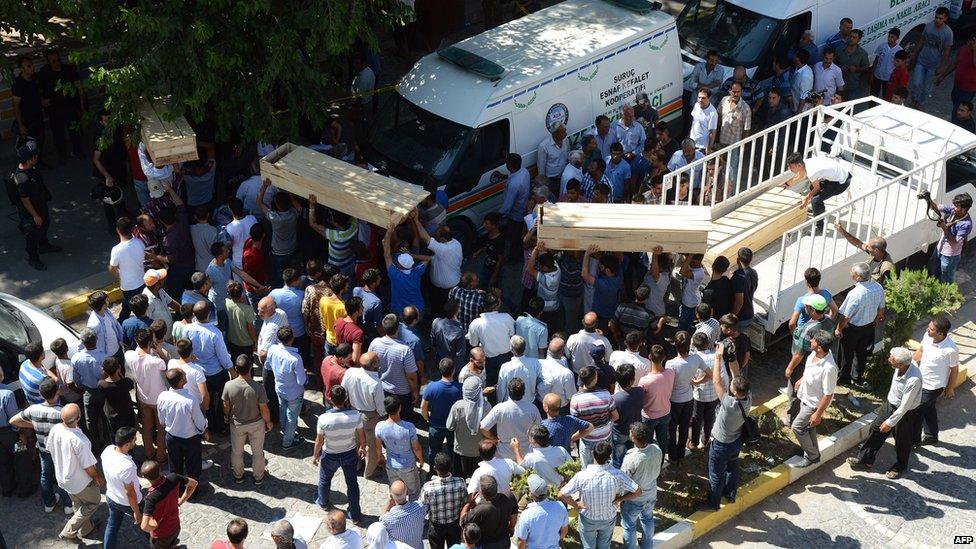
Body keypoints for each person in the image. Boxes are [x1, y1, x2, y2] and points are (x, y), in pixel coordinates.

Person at [848, 347, 923, 478]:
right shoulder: (902, 366)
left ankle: (901, 466)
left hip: (905, 412)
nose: (888, 359)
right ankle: (865, 460)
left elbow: (905, 406)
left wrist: (890, 422)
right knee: (876, 429)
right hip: (890, 404)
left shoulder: (913, 380)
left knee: (901, 440)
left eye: (891, 358)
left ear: (900, 364)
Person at [559, 440, 641, 549]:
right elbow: (638, 491)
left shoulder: (582, 476)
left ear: (593, 453)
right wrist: (620, 498)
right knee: (604, 545)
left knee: (588, 546)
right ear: (609, 456)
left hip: (588, 517)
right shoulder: (618, 474)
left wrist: (575, 504)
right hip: (608, 517)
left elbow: (561, 494)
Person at [696, 342, 749, 511]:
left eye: (732, 385)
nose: (731, 383)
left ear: (733, 392)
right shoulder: (748, 397)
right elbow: (737, 374)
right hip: (736, 441)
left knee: (716, 474)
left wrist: (718, 357)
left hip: (721, 444)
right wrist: (731, 356)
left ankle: (713, 503)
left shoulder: (728, 404)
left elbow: (716, 380)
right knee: (732, 466)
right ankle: (730, 493)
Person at [8, 378, 71, 512]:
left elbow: (13, 420)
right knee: (63, 475)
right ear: (57, 393)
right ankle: (68, 505)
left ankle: (49, 503)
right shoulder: (62, 411)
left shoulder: (33, 409)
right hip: (60, 450)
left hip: (43, 449)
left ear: (41, 394)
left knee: (45, 476)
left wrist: (32, 425)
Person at [47, 404, 105, 541]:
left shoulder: (55, 429)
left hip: (63, 478)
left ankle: (86, 530)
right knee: (93, 502)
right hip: (80, 481)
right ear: (78, 417)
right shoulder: (79, 441)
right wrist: (98, 478)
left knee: (78, 503)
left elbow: (49, 449)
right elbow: (89, 467)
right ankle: (68, 531)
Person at [313, 385, 366, 522]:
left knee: (325, 479)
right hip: (349, 453)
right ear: (346, 398)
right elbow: (361, 434)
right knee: (352, 484)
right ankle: (355, 514)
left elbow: (319, 440)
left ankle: (323, 502)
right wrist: (363, 447)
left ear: (330, 399)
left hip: (330, 454)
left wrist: (315, 456)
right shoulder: (355, 415)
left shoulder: (323, 418)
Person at [183, 301, 234, 435]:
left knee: (207, 402)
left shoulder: (187, 329)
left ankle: (210, 425)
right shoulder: (215, 333)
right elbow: (223, 356)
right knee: (222, 399)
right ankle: (222, 426)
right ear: (209, 314)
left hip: (199, 373)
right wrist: (232, 371)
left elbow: (185, 347)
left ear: (194, 314)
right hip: (216, 373)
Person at [789, 330, 838, 468]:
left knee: (797, 427)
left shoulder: (829, 368)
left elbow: (828, 394)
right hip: (805, 396)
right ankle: (811, 451)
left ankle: (812, 455)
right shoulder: (815, 353)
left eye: (813, 340)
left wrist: (817, 413)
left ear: (820, 347)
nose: (811, 341)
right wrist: (802, 379)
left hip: (814, 404)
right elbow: (809, 370)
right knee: (808, 427)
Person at [835, 262, 886, 387]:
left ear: (858, 276)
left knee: (847, 354)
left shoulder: (855, 293)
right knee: (861, 353)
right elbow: (882, 308)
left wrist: (838, 329)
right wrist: (876, 319)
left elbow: (846, 316)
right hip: (869, 327)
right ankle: (857, 378)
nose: (850, 273)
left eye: (852, 272)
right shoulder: (878, 287)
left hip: (852, 329)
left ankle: (844, 379)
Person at [222, 355, 271, 483]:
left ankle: (238, 475)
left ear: (236, 369)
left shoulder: (228, 386)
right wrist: (268, 421)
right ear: (250, 368)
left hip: (237, 424)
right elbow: (264, 409)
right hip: (256, 424)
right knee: (258, 452)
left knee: (237, 452)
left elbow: (226, 405)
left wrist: (227, 416)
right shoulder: (258, 387)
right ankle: (258, 476)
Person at [784, 295, 836, 417]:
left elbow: (799, 354)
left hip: (802, 364)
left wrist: (790, 368)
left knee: (794, 391)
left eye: (807, 306)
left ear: (812, 310)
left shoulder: (809, 329)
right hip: (818, 361)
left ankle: (792, 418)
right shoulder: (828, 321)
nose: (805, 308)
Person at [912, 317, 959, 446]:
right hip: (921, 380)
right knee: (929, 409)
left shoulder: (950, 350)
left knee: (917, 411)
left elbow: (954, 370)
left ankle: (913, 441)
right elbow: (920, 351)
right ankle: (931, 436)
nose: (927, 329)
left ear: (940, 333)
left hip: (934, 386)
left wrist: (950, 388)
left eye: (931, 329)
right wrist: (908, 365)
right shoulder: (927, 336)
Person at [157, 369, 208, 481]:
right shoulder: (191, 400)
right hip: (190, 439)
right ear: (181, 381)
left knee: (175, 467)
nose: (186, 375)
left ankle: (177, 489)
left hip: (172, 437)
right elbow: (200, 423)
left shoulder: (162, 396)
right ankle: (192, 491)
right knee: (193, 467)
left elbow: (162, 420)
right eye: (184, 375)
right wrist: (205, 429)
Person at [126, 329, 168, 463]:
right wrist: (160, 351)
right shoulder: (155, 361)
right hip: (158, 398)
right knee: (161, 429)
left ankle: (149, 453)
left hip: (143, 396)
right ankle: (161, 456)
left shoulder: (129, 355)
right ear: (151, 342)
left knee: (147, 426)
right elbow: (167, 364)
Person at [342, 351, 385, 478]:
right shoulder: (376, 383)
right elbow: (380, 406)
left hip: (353, 411)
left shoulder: (350, 372)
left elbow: (343, 390)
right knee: (370, 445)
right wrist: (383, 415)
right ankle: (369, 471)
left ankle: (357, 465)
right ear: (374, 366)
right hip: (369, 416)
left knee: (355, 440)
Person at [370, 314, 420, 422]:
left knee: (386, 417)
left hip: (382, 388)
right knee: (404, 419)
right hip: (402, 393)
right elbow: (411, 376)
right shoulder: (405, 350)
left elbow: (370, 365)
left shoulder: (375, 343)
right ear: (398, 327)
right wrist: (415, 392)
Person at [783, 153, 851, 233]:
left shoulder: (811, 172)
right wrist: (786, 184)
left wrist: (807, 198)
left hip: (841, 183)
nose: (789, 168)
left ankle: (820, 228)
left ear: (799, 165)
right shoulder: (805, 162)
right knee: (812, 189)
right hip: (841, 176)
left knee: (815, 200)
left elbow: (817, 188)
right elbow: (800, 176)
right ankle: (819, 211)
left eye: (791, 167)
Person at [620, 422, 662, 549]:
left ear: (633, 437)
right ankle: (647, 546)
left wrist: (620, 497)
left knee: (629, 526)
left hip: (634, 499)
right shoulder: (656, 449)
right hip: (651, 494)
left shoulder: (631, 457)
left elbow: (623, 480)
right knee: (648, 519)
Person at [100, 426, 144, 548]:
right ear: (127, 444)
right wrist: (137, 512)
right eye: (134, 439)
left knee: (112, 525)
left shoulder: (108, 450)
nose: (136, 441)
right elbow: (130, 492)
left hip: (112, 496)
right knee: (147, 525)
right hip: (127, 502)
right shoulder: (127, 466)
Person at [139, 459, 198, 548]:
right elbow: (194, 483)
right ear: (159, 470)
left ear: (144, 476)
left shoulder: (150, 498)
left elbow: (144, 526)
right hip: (175, 526)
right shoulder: (174, 478)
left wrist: (155, 525)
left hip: (161, 535)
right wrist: (180, 501)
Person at [666, 332, 705, 464]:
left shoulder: (670, 364)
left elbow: (669, 383)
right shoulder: (696, 359)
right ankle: (681, 453)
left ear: (675, 345)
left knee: (671, 429)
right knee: (683, 428)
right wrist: (696, 382)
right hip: (689, 398)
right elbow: (710, 373)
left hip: (674, 400)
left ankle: (672, 456)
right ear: (689, 344)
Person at [265, 326, 307, 449]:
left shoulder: (272, 349)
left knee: (283, 410)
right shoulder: (296, 358)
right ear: (292, 338)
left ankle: (286, 430)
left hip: (279, 388)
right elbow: (301, 380)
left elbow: (268, 366)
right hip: (294, 393)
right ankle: (288, 442)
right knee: (292, 417)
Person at [376, 396, 425, 501]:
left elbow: (378, 447)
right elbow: (416, 448)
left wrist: (380, 457)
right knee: (414, 492)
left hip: (391, 465)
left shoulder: (379, 426)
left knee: (396, 492)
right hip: (408, 465)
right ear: (399, 408)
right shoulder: (409, 427)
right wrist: (421, 460)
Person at [480, 377, 541, 461]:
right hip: (526, 453)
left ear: (508, 392)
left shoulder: (499, 408)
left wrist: (493, 439)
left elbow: (483, 427)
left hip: (504, 454)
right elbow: (539, 429)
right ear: (523, 392)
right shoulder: (532, 408)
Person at [465, 294, 515, 396]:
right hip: (505, 356)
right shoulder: (506, 318)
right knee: (507, 382)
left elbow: (473, 344)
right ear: (498, 305)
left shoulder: (476, 323)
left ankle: (492, 404)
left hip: (489, 359)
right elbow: (512, 334)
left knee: (490, 385)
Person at [921, 192, 972, 283]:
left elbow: (954, 242)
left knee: (946, 279)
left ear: (964, 209)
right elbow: (936, 207)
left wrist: (944, 227)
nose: (954, 207)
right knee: (934, 272)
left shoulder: (966, 224)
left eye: (957, 206)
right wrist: (928, 200)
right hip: (939, 249)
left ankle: (945, 296)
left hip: (950, 255)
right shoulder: (953, 210)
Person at [446, 376, 492, 478]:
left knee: (459, 478)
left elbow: (449, 426)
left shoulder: (458, 406)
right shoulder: (486, 407)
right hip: (479, 452)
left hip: (461, 451)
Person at [571, 366, 617, 466]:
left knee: (587, 468)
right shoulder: (606, 394)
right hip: (605, 436)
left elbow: (576, 423)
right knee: (606, 465)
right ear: (595, 378)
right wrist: (605, 423)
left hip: (587, 439)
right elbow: (616, 416)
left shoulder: (575, 399)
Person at [419, 452, 467, 549]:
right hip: (454, 525)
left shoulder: (428, 487)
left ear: (435, 468)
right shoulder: (461, 482)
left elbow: (423, 508)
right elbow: (464, 501)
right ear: (451, 467)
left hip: (436, 526)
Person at [910, 7, 953, 109]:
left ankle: (921, 102)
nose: (938, 20)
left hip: (933, 65)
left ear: (945, 19)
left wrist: (942, 67)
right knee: (916, 83)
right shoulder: (929, 26)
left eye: (941, 18)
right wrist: (914, 53)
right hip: (921, 60)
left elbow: (947, 51)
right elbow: (922, 40)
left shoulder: (948, 33)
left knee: (926, 87)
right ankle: (914, 99)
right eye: (937, 17)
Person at [422, 359, 463, 463]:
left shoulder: (431, 387)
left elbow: (423, 406)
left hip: (435, 425)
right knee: (453, 450)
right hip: (453, 426)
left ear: (440, 370)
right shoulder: (460, 388)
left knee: (434, 452)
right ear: (453, 370)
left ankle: (432, 470)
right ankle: (454, 470)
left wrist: (427, 418)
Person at [638, 344, 675, 458]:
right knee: (663, 440)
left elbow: (641, 399)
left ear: (649, 356)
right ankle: (660, 461)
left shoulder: (645, 381)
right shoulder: (671, 373)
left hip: (649, 416)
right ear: (664, 357)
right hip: (665, 413)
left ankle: (650, 464)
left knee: (648, 444)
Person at [514, 474, 569, 549]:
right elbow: (564, 532)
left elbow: (521, 541)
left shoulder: (526, 515)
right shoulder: (560, 507)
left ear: (531, 493)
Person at [461, 475, 517, 549]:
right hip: (504, 541)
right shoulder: (509, 497)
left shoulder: (480, 509)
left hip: (486, 545)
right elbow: (514, 516)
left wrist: (468, 503)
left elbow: (462, 521)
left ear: (482, 491)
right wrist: (512, 527)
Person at [110, 217, 147, 320]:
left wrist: (118, 274)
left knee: (126, 309)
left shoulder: (116, 250)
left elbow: (112, 268)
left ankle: (122, 327)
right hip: (142, 282)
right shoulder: (139, 242)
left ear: (118, 230)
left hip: (128, 287)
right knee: (143, 308)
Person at [12, 56, 46, 157]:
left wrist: (42, 101)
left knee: (41, 139)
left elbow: (37, 94)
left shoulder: (34, 79)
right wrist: (21, 125)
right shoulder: (18, 84)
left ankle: (39, 162)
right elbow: (16, 106)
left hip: (38, 115)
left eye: (32, 65)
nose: (32, 68)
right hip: (27, 119)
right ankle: (32, 165)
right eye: (28, 66)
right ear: (22, 69)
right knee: (31, 143)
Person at [381, 479, 426, 549]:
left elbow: (381, 524)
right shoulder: (420, 507)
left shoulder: (388, 519)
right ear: (406, 491)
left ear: (391, 495)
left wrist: (388, 505)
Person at [225, 281, 256, 362]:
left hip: (232, 341)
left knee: (235, 362)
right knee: (247, 365)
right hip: (246, 343)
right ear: (241, 293)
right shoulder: (248, 309)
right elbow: (250, 329)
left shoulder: (226, 303)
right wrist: (255, 341)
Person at [432, 300, 466, 373]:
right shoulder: (459, 331)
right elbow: (460, 354)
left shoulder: (436, 322)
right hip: (452, 366)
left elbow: (433, 341)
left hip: (439, 360)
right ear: (456, 312)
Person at [18, 340, 57, 406]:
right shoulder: (42, 379)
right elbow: (55, 392)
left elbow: (44, 369)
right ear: (41, 355)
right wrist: (56, 379)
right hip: (44, 405)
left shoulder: (25, 364)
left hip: (31, 402)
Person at [834, 29, 869, 100]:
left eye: (854, 37)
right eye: (850, 36)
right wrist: (840, 67)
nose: (851, 39)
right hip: (838, 85)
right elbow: (833, 63)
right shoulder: (839, 50)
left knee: (849, 108)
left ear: (859, 40)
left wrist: (856, 69)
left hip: (852, 86)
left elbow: (866, 67)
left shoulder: (862, 53)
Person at [871, 28, 903, 98]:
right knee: (873, 94)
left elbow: (899, 66)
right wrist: (872, 74)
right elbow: (876, 60)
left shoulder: (899, 50)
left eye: (892, 37)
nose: (889, 39)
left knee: (886, 96)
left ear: (897, 38)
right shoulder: (882, 46)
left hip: (889, 78)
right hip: (877, 75)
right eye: (889, 36)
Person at [689, 87, 718, 153]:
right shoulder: (696, 105)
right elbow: (693, 122)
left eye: (703, 98)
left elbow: (712, 132)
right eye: (699, 97)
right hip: (692, 143)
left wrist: (709, 148)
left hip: (702, 146)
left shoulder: (712, 113)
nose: (700, 100)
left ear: (709, 98)